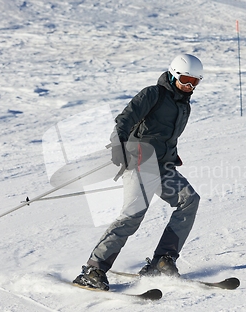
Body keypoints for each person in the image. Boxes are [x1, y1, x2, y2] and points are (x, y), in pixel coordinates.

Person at [73, 54, 203, 290]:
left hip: (162, 167)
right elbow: (124, 121)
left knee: (189, 200)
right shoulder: (153, 94)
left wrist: (171, 154)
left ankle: (163, 261)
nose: (189, 86)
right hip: (140, 162)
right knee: (133, 216)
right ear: (173, 75)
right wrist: (118, 146)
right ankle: (94, 269)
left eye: (195, 82)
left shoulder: (184, 106)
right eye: (185, 79)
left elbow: (165, 136)